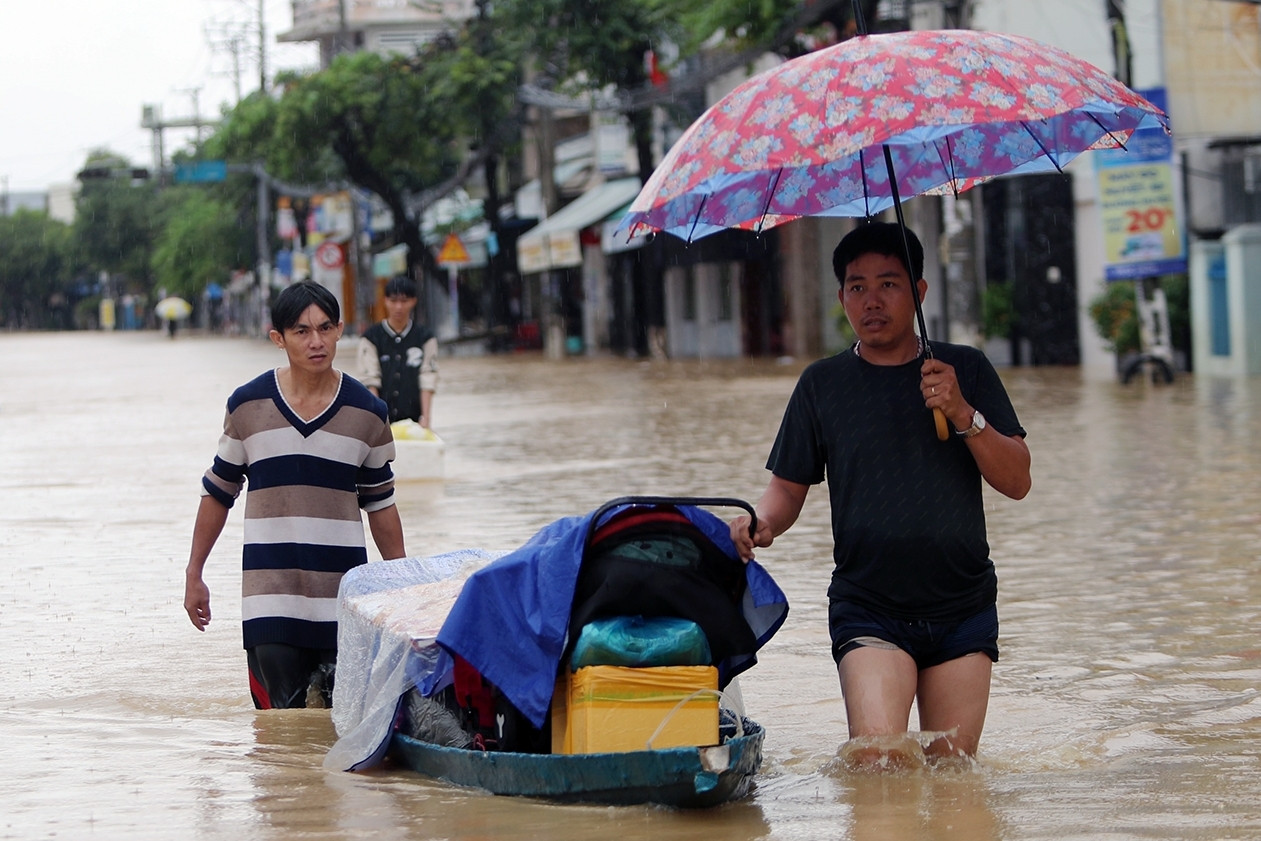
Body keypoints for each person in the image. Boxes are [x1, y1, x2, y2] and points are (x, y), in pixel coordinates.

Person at [729, 221, 1031, 768]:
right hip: (870, 605)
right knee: (876, 764)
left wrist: (963, 413)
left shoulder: (965, 370)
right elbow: (786, 491)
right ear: (841, 296)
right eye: (857, 286)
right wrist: (761, 524)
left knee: (952, 775)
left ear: (918, 292)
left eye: (889, 284)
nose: (872, 300)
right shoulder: (823, 385)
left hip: (962, 604)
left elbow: (1017, 481)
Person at [183, 281, 407, 710]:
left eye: (325, 328)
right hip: (270, 601)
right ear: (278, 339)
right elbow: (218, 491)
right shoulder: (247, 405)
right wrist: (195, 573)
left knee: (340, 732)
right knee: (281, 739)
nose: (316, 341)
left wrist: (403, 587)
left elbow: (381, 503)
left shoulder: (369, 413)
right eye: (301, 331)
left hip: (345, 603)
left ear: (341, 329)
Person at [357, 275, 439, 428]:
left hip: (415, 420)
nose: (399, 307)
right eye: (394, 301)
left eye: (404, 301)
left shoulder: (425, 337)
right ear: (385, 301)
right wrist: (377, 418)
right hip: (383, 420)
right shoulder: (371, 338)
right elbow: (370, 379)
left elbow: (428, 377)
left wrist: (426, 418)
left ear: (413, 301)